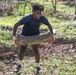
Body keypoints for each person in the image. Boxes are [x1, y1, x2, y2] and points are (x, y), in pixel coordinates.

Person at [13, 3, 54, 73]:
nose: (39, 15)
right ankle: (19, 65)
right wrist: (14, 37)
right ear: (33, 12)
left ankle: (38, 66)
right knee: (22, 51)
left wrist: (52, 35)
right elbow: (16, 25)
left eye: (40, 13)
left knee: (36, 51)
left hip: (35, 36)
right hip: (25, 36)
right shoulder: (28, 18)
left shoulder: (42, 18)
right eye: (37, 13)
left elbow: (49, 25)